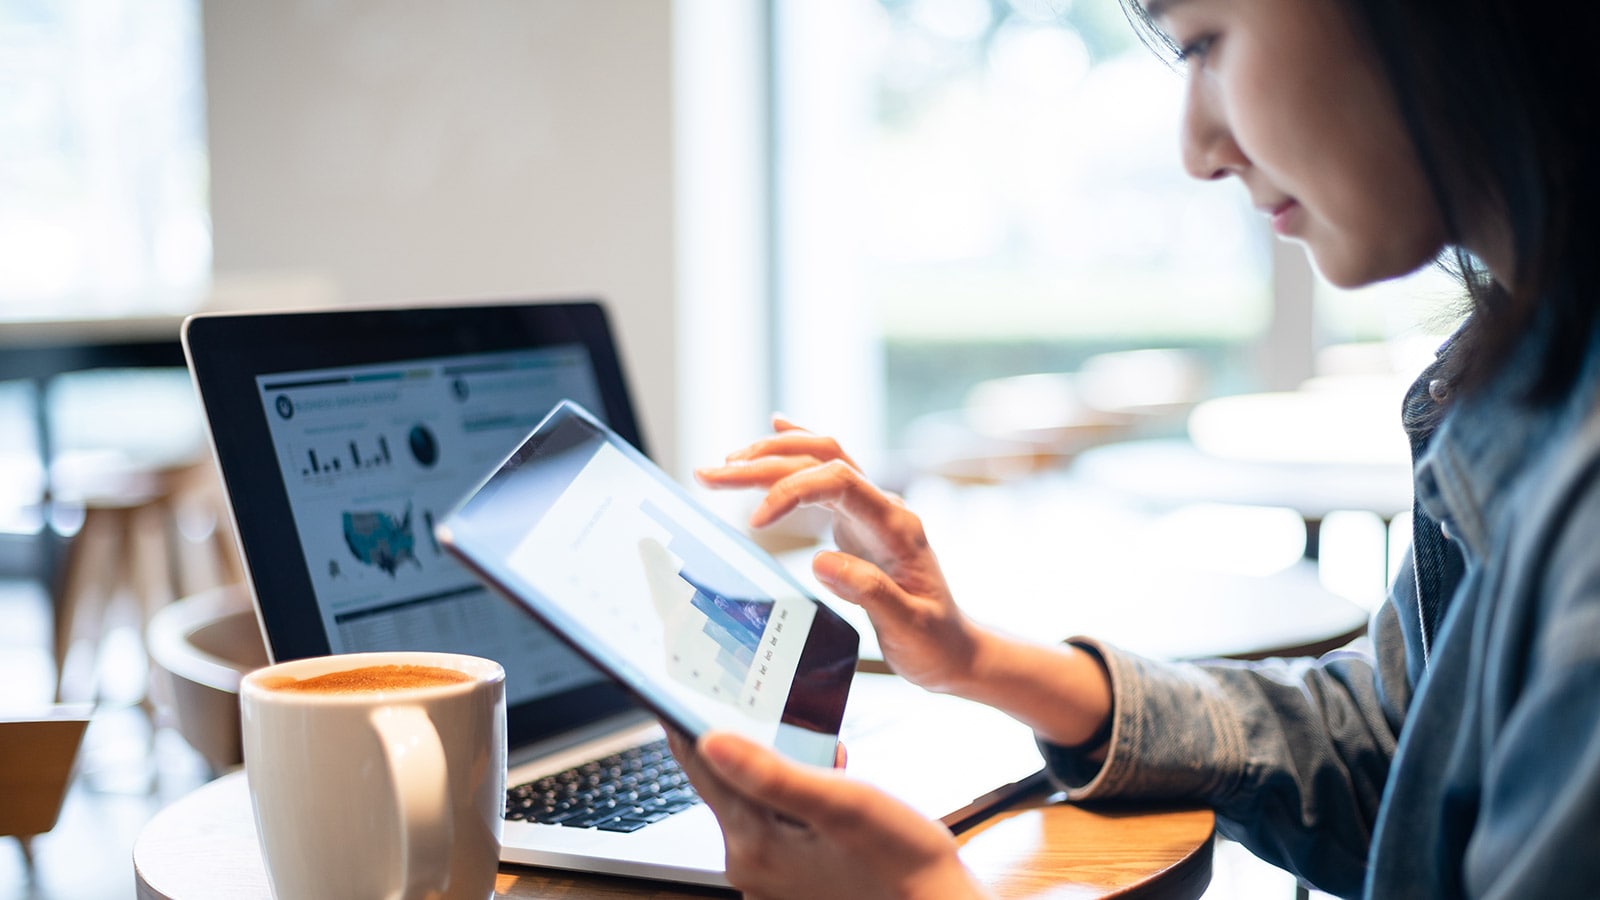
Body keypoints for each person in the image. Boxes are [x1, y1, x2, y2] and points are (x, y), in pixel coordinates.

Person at [665, 0, 1600, 896]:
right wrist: (975, 660)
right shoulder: (1525, 392)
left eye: (1204, 43)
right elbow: (1378, 755)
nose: (1198, 149)